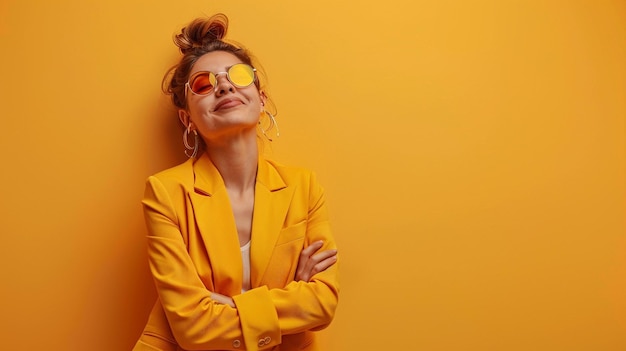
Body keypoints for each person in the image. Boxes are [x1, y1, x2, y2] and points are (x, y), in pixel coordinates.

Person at [132, 14, 339, 351]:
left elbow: (322, 304)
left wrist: (224, 305)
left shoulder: (304, 187)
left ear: (260, 99)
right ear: (188, 118)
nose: (224, 86)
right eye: (203, 83)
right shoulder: (165, 193)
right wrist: (289, 298)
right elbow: (192, 328)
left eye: (239, 76)